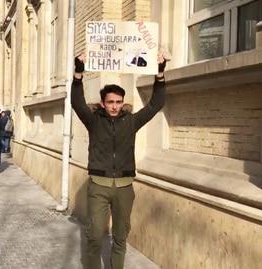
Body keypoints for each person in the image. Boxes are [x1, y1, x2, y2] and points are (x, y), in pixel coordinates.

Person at [71, 53, 167, 269]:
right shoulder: (94, 121)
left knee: (121, 237)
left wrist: (160, 74)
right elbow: (77, 103)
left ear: (123, 102)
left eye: (118, 102)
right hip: (98, 186)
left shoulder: (131, 122)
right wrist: (78, 73)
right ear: (103, 104)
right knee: (94, 236)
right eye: (110, 102)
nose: (114, 106)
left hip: (124, 188)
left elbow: (155, 104)